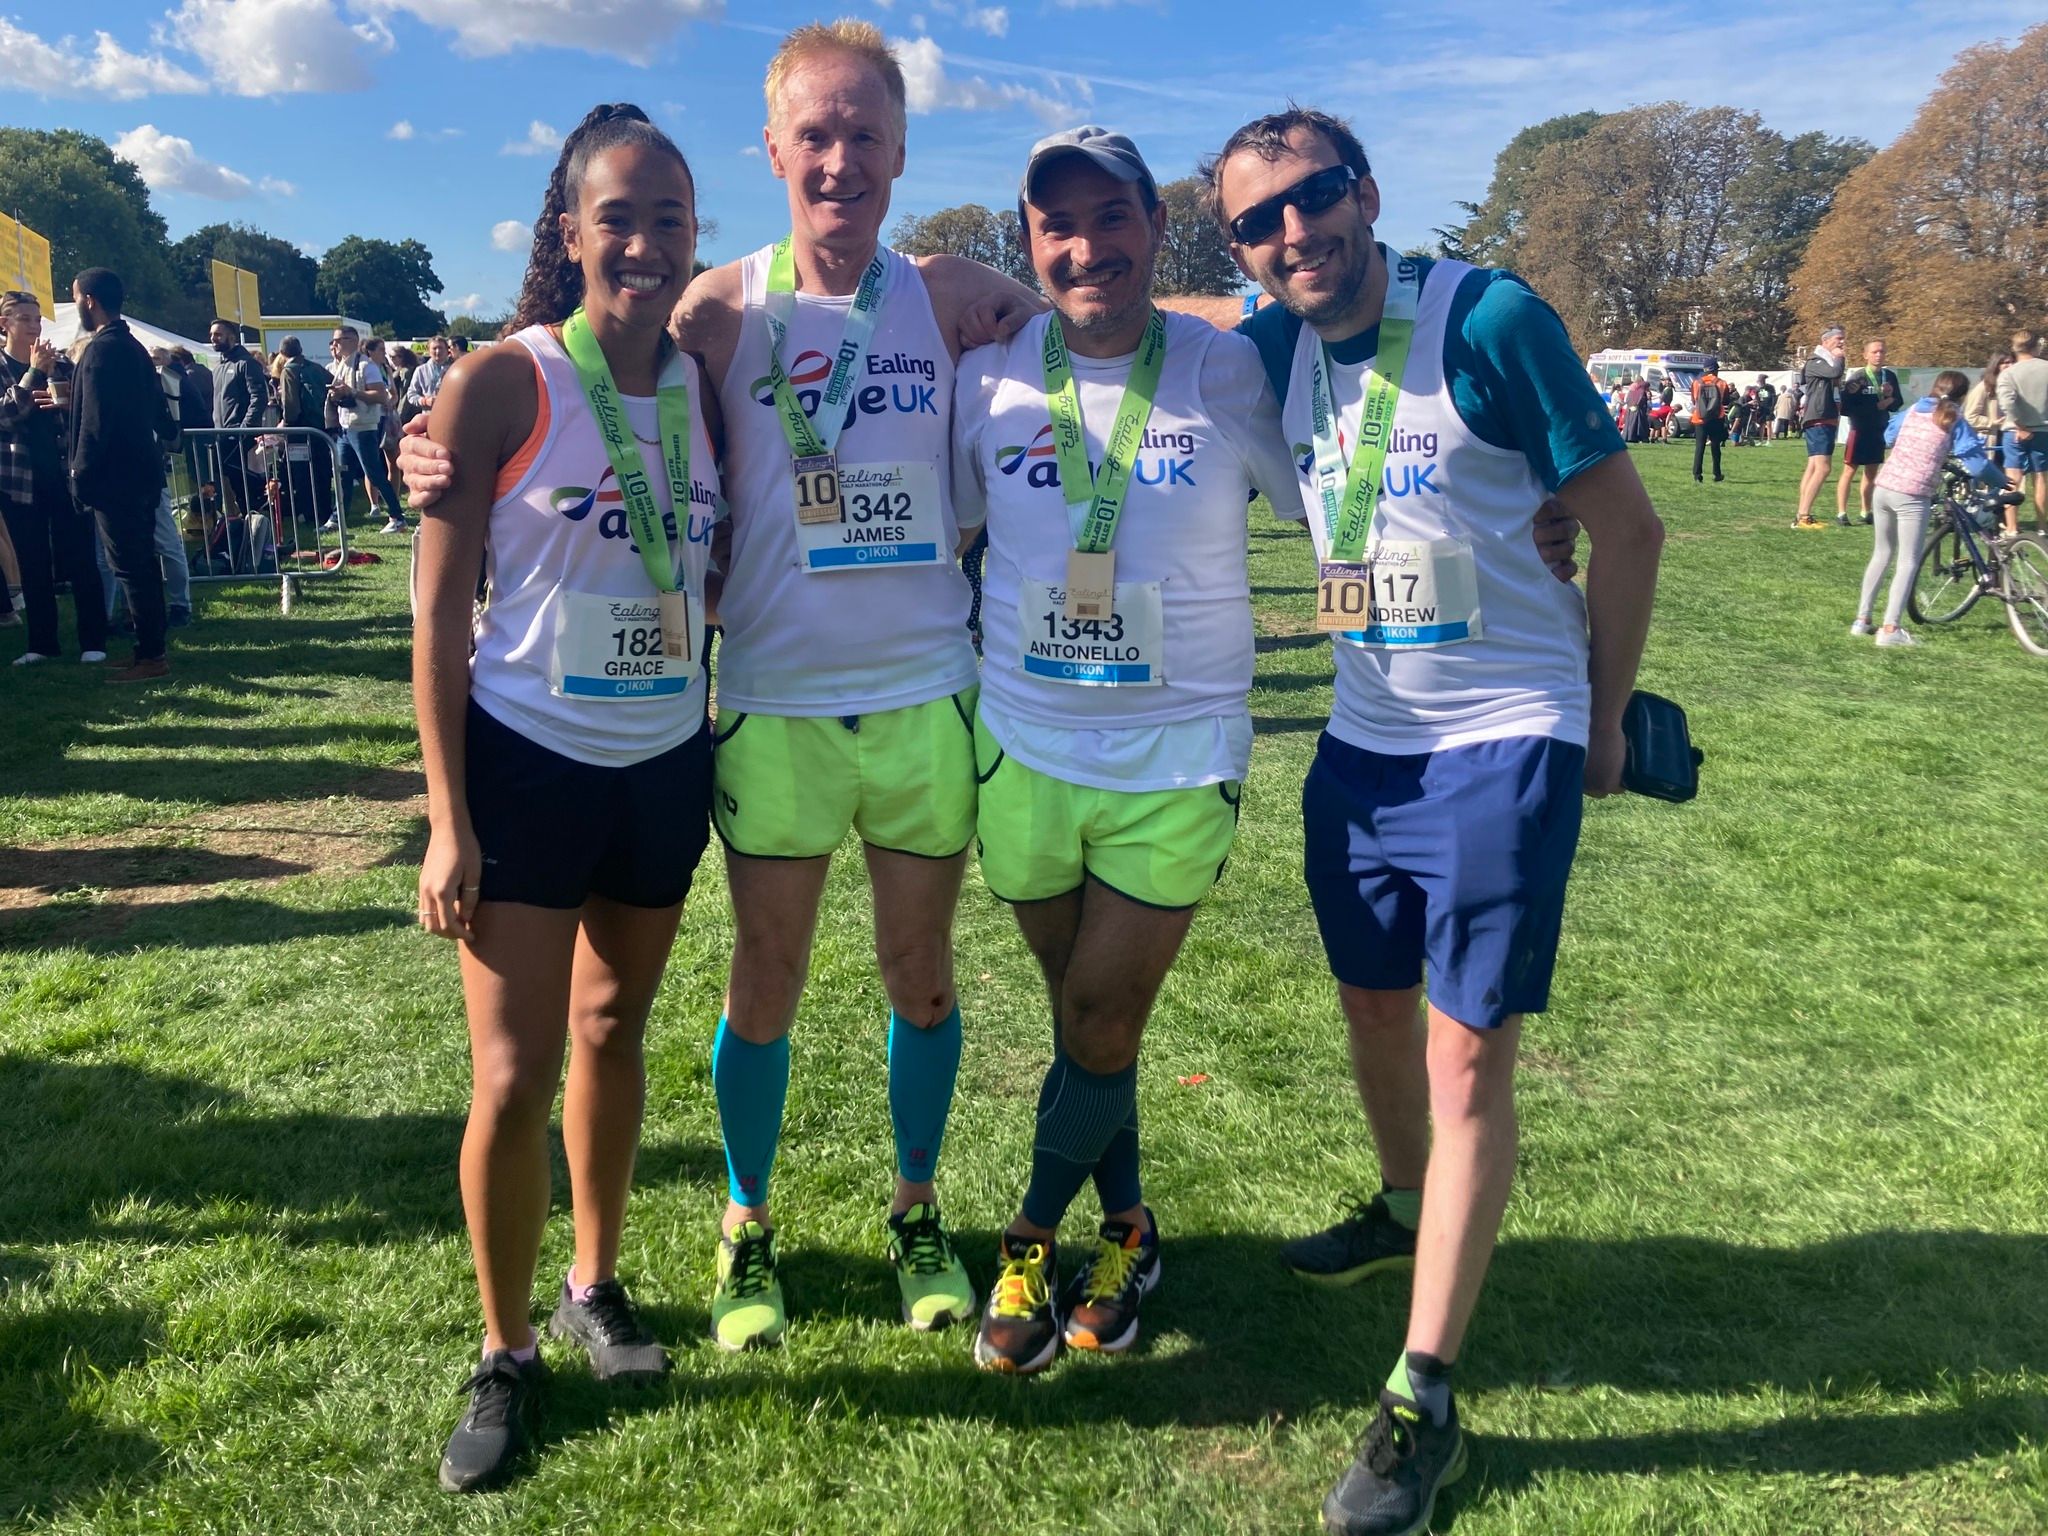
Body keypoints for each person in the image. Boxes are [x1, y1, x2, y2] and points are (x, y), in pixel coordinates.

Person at [399, 21, 1045, 1354]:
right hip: (766, 704)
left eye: (868, 132)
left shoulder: (959, 295)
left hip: (923, 694)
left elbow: (1109, 351)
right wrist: (429, 449)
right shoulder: (715, 314)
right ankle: (742, 1224)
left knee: (920, 977)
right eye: (816, 133)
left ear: (903, 148)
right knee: (761, 982)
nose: (842, 158)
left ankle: (914, 1209)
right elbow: (568, 385)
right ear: (775, 152)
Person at [1208, 106, 1663, 1536]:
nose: (1297, 233)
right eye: (1261, 218)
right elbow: (1145, 321)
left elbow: (1630, 527)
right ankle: (1405, 1206)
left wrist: (1597, 722)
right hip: (1359, 748)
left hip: (1502, 741)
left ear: (1367, 191)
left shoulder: (1491, 317)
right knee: (1370, 1013)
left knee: (1468, 1062)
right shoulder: (1268, 345)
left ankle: (1425, 1391)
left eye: (1317, 197)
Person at [956, 128, 1303, 1373]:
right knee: (1083, 1024)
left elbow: (1341, 499)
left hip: (1173, 758)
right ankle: (1131, 1228)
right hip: (1024, 750)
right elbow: (946, 528)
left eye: (1110, 217)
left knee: (1100, 1015)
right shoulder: (987, 377)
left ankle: (1030, 1238)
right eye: (1057, 226)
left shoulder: (1224, 371)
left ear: (1156, 228)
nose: (1084, 246)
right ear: (1030, 242)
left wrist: (1522, 507)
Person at [412, 103, 721, 1494]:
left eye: (669, 217)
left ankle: (596, 1284)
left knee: (615, 1027)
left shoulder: (708, 381)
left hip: (663, 760)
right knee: (512, 1070)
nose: (645, 242)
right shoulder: (506, 380)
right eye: (619, 215)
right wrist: (447, 814)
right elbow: (430, 620)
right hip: (526, 758)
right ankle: (505, 1346)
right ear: (568, 230)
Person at [68, 268, 171, 682]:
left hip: (117, 478)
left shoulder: (102, 350)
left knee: (131, 567)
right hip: (140, 471)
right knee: (140, 565)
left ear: (89, 300)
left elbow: (96, 420)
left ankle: (151, 655)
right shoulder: (132, 346)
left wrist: (81, 471)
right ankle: (148, 650)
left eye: (74, 296)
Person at [1855, 370, 2003, 648]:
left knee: (1882, 553)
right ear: (1963, 394)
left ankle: (1861, 620)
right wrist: (2002, 481)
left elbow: (1889, 436)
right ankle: (1890, 628)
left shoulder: (1913, 409)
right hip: (1912, 494)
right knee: (1908, 561)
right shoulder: (1955, 419)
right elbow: (1977, 464)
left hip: (1884, 487)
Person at [0, 290, 108, 665]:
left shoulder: (62, 365)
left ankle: (94, 640)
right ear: (5, 324)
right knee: (33, 565)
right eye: (26, 319)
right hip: (19, 482)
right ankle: (41, 645)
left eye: (37, 318)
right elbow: (4, 417)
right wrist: (32, 375)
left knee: (81, 559)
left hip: (65, 476)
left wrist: (63, 400)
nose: (35, 326)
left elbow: (82, 412)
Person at [330, 325, 407, 533]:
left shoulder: (366, 366)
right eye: (334, 340)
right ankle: (338, 518)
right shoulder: (342, 365)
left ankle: (397, 517)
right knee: (342, 473)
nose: (335, 343)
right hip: (346, 427)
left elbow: (381, 397)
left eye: (340, 339)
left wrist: (352, 392)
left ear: (354, 341)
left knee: (374, 473)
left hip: (363, 427)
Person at [274, 336, 338, 538]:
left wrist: (287, 424)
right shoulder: (316, 368)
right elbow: (334, 385)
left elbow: (290, 404)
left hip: (300, 429)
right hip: (321, 426)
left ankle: (310, 513)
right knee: (322, 471)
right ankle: (325, 510)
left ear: (282, 354)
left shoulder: (289, 371)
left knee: (303, 472)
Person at [1835, 337, 1902, 526]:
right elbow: (1846, 408)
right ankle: (1842, 512)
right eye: (1874, 352)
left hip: (1879, 429)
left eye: (1882, 351)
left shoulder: (1889, 376)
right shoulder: (1857, 378)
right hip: (1859, 430)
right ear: (1865, 355)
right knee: (1849, 470)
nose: (1879, 355)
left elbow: (1898, 402)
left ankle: (1866, 511)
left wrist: (1889, 399)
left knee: (1872, 472)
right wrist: (1875, 406)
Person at [1794, 325, 1847, 528]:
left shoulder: (1825, 361)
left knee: (1814, 467)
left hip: (1825, 417)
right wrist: (1840, 357)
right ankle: (1803, 515)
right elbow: (1835, 371)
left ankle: (1802, 514)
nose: (1841, 343)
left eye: (1843, 339)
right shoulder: (1816, 361)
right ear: (1825, 342)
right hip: (1818, 418)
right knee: (1823, 468)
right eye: (1838, 339)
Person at [1996, 330, 2048, 532]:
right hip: (2042, 430)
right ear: (2036, 347)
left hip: (2014, 432)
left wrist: (2019, 425)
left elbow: (2007, 403)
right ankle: (2042, 526)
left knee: (2012, 480)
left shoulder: (2008, 373)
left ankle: (2011, 527)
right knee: (2041, 480)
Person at [403, 335, 455, 425]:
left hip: (451, 417)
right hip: (428, 417)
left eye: (441, 348)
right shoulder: (421, 370)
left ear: (447, 350)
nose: (438, 351)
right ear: (428, 350)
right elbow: (411, 394)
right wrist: (424, 401)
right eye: (434, 348)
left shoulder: (455, 369)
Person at [1690, 358, 1728, 482]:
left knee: (1699, 447)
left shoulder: (1696, 383)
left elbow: (1694, 400)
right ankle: (1717, 474)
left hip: (1700, 418)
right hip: (1717, 418)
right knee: (1715, 447)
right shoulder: (1722, 383)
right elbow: (1726, 401)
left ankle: (1697, 475)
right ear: (1715, 370)